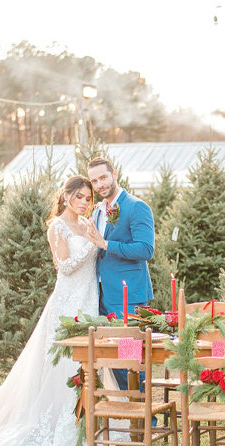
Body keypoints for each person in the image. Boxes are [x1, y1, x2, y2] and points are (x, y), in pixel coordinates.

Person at [0, 175, 120, 446]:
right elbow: (64, 267)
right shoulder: (58, 227)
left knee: (90, 358)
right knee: (64, 360)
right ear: (66, 196)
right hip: (67, 302)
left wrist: (95, 239)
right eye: (79, 197)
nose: (84, 203)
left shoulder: (87, 224)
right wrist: (94, 244)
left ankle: (89, 418)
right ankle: (60, 422)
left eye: (88, 199)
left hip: (89, 300)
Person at [84, 157, 155, 390]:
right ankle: (125, 413)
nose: (99, 184)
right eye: (94, 181)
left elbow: (146, 249)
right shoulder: (98, 211)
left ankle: (145, 421)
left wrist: (106, 245)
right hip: (101, 294)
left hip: (128, 296)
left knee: (131, 360)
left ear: (114, 173)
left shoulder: (136, 207)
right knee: (111, 359)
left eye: (103, 177)